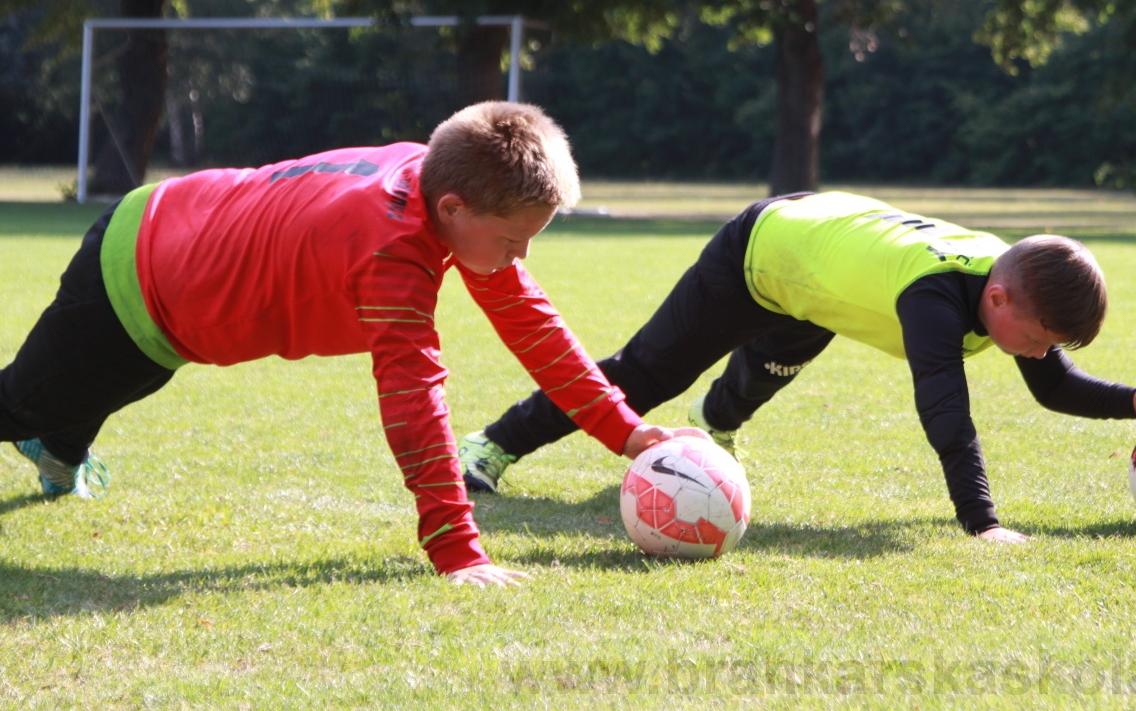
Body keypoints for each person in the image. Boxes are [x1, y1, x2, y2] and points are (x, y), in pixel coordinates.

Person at [0, 101, 700, 586]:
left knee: (114, 381)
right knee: (25, 402)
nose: (520, 256)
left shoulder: (435, 174)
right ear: (454, 209)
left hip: (170, 250)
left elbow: (533, 326)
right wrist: (456, 547)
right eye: (513, 240)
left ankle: (58, 448)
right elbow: (413, 396)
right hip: (136, 277)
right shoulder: (393, 251)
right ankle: (48, 434)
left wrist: (629, 433)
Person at [458, 191, 1136, 543]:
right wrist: (983, 524)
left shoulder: (1013, 287)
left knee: (754, 383)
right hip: (761, 256)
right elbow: (946, 413)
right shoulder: (936, 300)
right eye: (1043, 337)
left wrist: (1134, 404)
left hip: (819, 287)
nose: (1043, 352)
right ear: (997, 298)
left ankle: (711, 425)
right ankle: (491, 446)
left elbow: (1052, 386)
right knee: (646, 373)